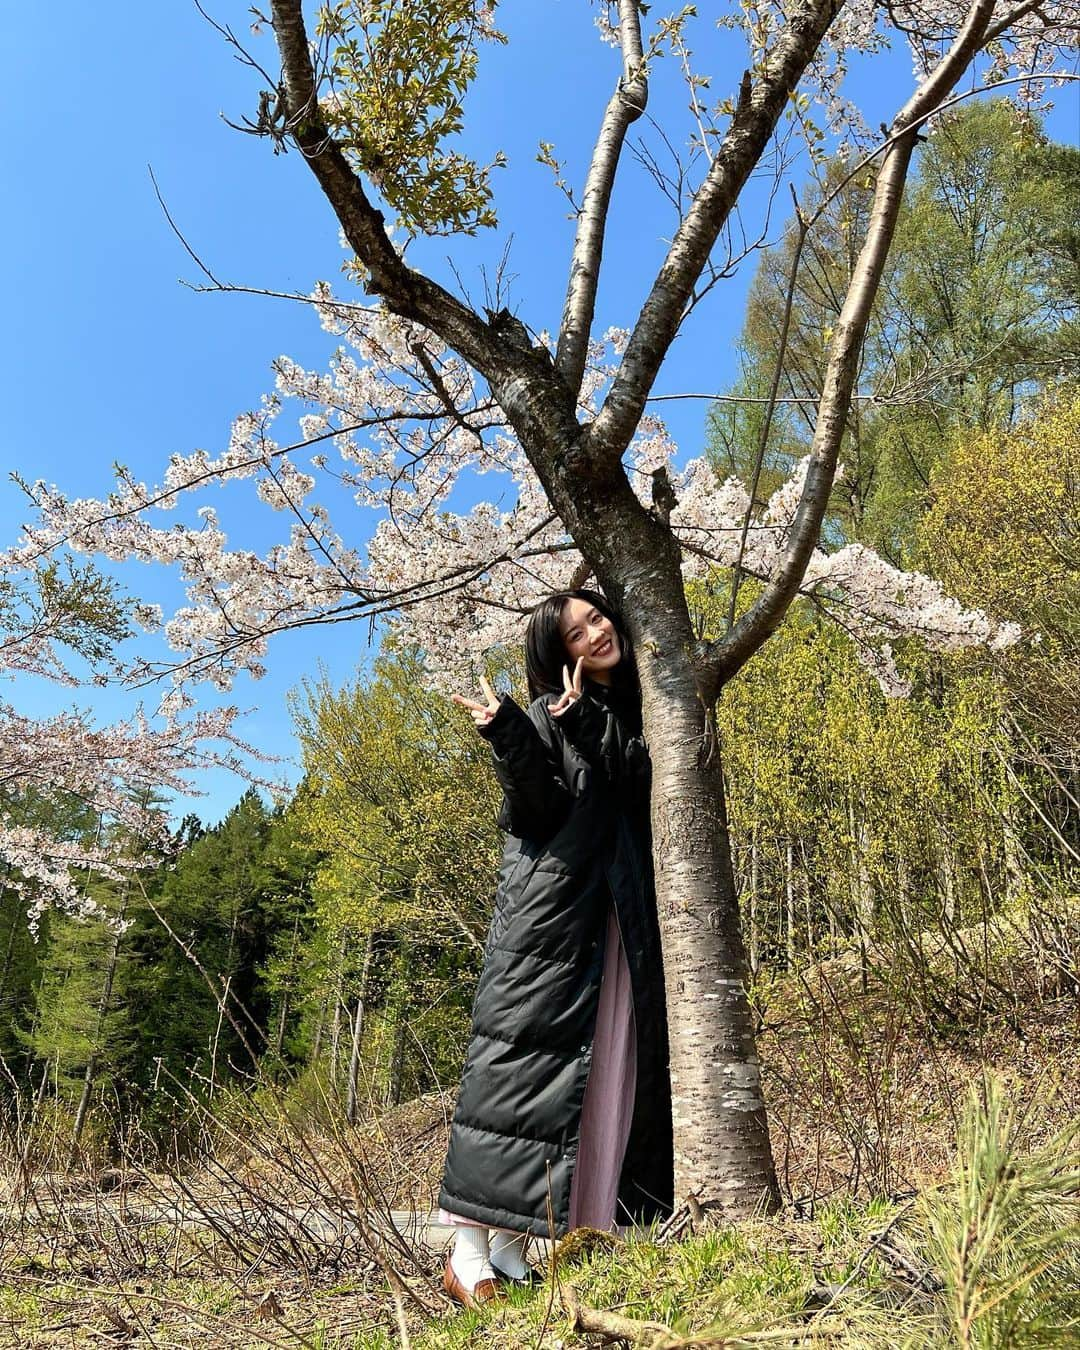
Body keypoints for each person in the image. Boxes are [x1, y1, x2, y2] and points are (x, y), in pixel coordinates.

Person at [438, 588, 673, 1309]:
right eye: (578, 633)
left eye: (599, 618)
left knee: (592, 1076)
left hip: (616, 921)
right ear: (558, 652)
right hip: (548, 926)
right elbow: (531, 810)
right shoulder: (545, 712)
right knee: (516, 1079)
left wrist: (588, 721)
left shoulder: (643, 709)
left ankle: (511, 1253)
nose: (597, 634)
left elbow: (640, 781)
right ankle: (467, 1251)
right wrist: (510, 731)